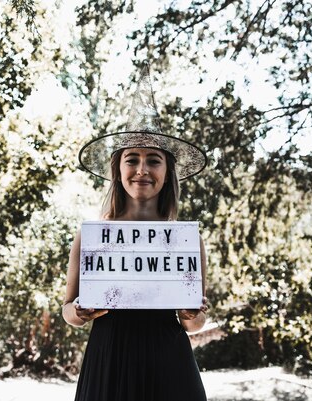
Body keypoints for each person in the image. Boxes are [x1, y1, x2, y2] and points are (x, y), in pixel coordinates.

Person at [62, 69, 210, 401]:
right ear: (118, 169)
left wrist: (192, 315)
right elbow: (68, 311)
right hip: (109, 360)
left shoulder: (186, 240)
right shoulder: (92, 237)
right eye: (132, 159)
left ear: (167, 171)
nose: (142, 169)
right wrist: (80, 310)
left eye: (153, 160)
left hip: (169, 363)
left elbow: (195, 321)